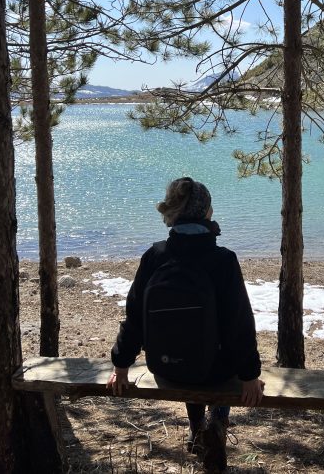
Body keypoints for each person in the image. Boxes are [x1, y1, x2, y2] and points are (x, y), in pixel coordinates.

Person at [107, 177, 264, 472]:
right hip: (216, 371)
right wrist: (250, 375)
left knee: (185, 343)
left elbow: (135, 317)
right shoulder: (223, 260)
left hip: (168, 369)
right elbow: (239, 324)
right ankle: (217, 418)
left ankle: (195, 431)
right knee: (212, 354)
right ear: (207, 213)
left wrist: (121, 366)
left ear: (174, 213)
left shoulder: (155, 256)